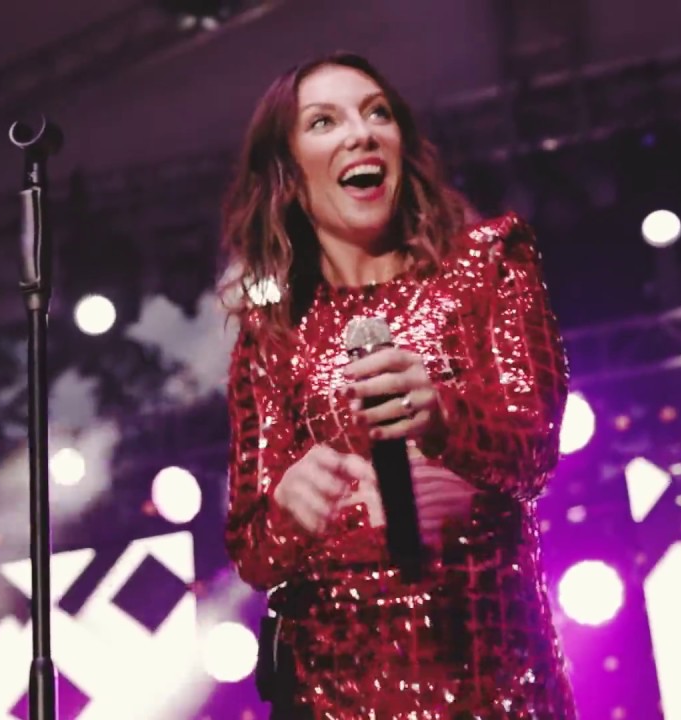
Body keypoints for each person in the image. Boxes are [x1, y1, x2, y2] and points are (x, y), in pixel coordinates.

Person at [220, 51, 577, 720]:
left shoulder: (486, 264)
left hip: (493, 683)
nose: (360, 133)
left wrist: (443, 419)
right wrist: (289, 508)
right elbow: (253, 554)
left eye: (376, 113)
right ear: (288, 175)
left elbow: (534, 452)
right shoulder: (272, 335)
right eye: (324, 121)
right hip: (336, 697)